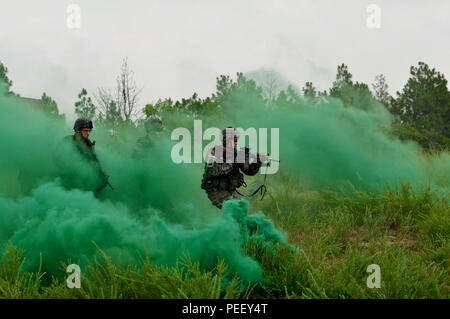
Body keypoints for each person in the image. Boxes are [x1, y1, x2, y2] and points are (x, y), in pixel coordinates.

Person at [201, 127, 264, 209]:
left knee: (242, 209)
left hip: (230, 190)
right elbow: (214, 171)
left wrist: (258, 160)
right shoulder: (214, 152)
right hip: (216, 191)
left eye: (237, 139)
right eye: (234, 140)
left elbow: (249, 171)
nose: (236, 142)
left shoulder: (235, 153)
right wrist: (232, 158)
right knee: (234, 211)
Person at [65, 118, 109, 193]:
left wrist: (100, 171)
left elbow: (93, 158)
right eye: (86, 131)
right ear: (78, 130)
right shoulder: (67, 141)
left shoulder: (88, 143)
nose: (88, 133)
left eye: (89, 131)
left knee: (102, 181)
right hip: (69, 173)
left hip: (84, 173)